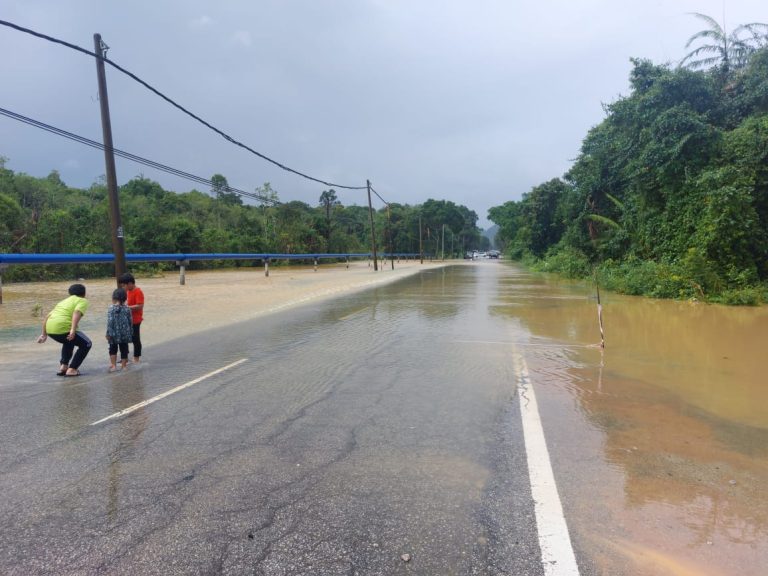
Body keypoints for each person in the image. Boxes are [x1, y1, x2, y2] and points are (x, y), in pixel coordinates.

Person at [37, 283, 92, 377]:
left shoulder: (63, 302)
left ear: (70, 293)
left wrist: (44, 334)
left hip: (50, 329)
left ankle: (64, 366)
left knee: (68, 341)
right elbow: (77, 312)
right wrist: (73, 330)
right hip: (62, 327)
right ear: (84, 293)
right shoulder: (82, 300)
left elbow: (47, 316)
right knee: (87, 344)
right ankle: (72, 369)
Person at [118, 272, 144, 363]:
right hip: (127, 319)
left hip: (136, 319)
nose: (123, 287)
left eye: (124, 285)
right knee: (124, 338)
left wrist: (126, 308)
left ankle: (136, 357)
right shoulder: (127, 291)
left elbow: (140, 306)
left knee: (135, 339)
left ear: (130, 283)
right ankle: (124, 357)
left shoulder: (138, 291)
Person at [106, 287, 133, 372]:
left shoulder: (111, 308)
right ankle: (124, 366)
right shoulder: (127, 308)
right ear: (125, 298)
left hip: (113, 333)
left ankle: (113, 366)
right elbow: (130, 321)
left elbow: (110, 322)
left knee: (112, 349)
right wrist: (130, 332)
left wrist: (108, 333)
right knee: (124, 349)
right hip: (125, 333)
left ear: (113, 298)